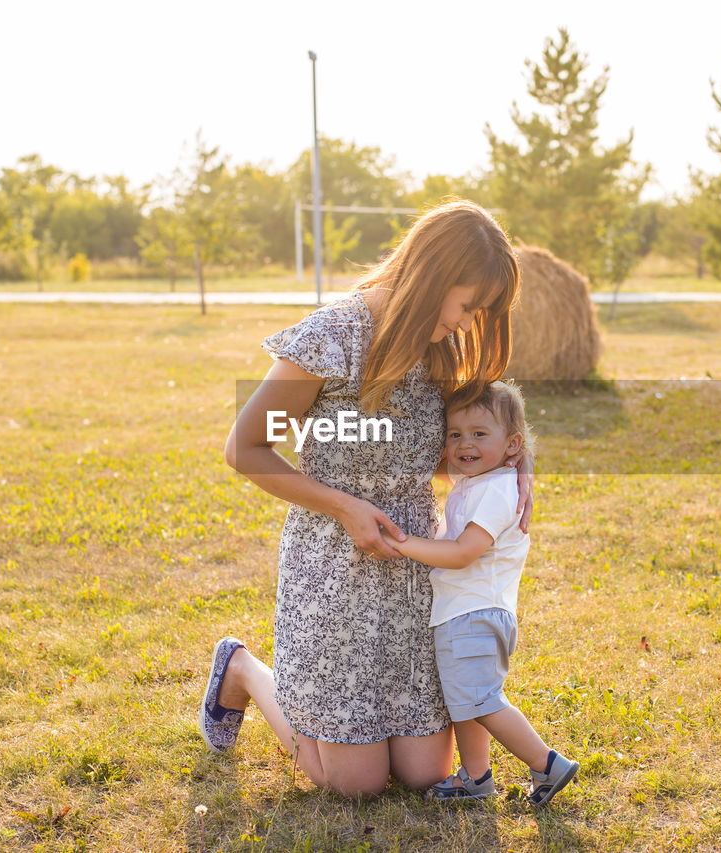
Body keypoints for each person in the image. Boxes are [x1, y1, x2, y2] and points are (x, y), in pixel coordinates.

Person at [201, 200, 532, 798]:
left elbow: (459, 441)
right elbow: (244, 448)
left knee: (424, 773)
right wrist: (346, 507)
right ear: (432, 278)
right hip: (335, 567)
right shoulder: (330, 339)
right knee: (352, 785)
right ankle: (243, 670)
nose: (465, 323)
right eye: (465, 305)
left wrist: (515, 464)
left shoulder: (438, 349)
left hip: (412, 570)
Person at [377, 381, 578, 805]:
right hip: (462, 614)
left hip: (476, 615)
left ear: (513, 446)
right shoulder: (478, 482)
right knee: (464, 703)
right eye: (455, 434)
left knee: (482, 702)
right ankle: (476, 777)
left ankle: (547, 764)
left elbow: (465, 552)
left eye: (479, 434)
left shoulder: (496, 489)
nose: (464, 444)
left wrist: (403, 544)